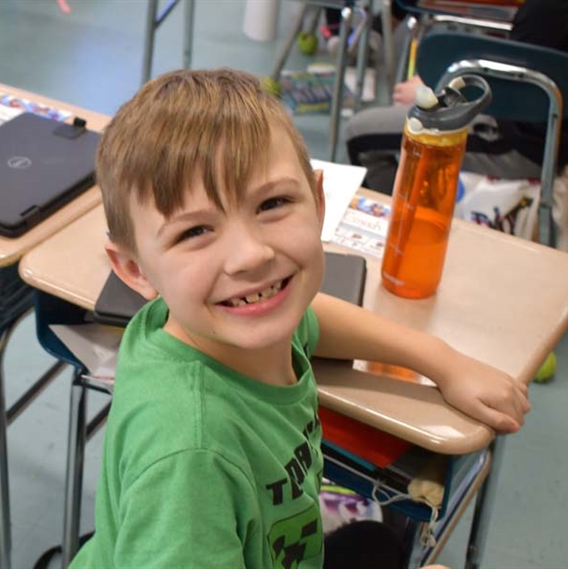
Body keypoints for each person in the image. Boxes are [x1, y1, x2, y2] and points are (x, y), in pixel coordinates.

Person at [69, 68, 529, 568]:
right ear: (135, 269)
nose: (250, 256)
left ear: (318, 201)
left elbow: (312, 318)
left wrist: (441, 361)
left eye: (273, 203)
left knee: (376, 546)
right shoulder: (189, 456)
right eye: (195, 231)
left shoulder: (216, 320)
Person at [344, 0, 568, 195]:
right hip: (545, 132)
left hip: (534, 144)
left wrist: (437, 91)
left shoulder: (548, 10)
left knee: (359, 135)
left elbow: (515, 94)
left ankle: (404, 227)